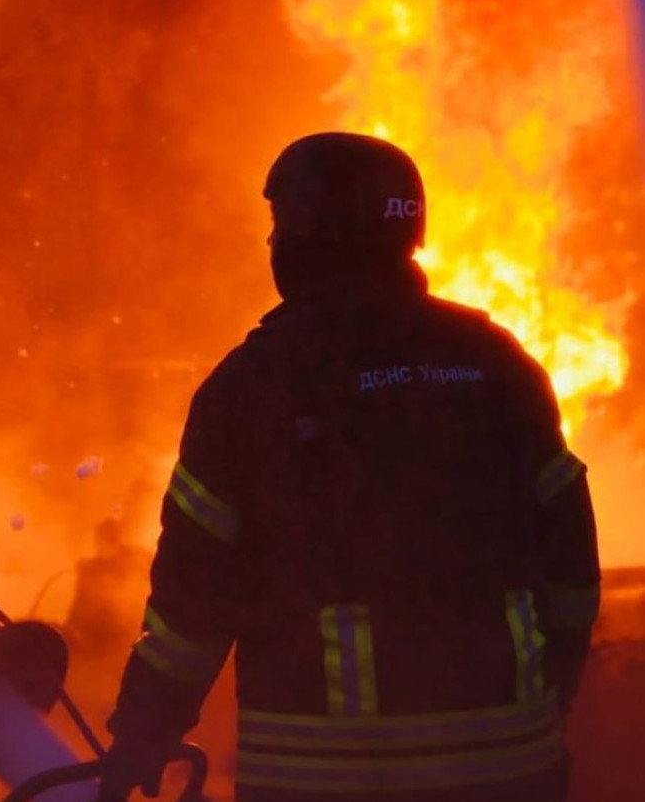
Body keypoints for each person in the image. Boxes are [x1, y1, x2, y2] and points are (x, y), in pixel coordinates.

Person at [94, 132, 601, 802]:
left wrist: (144, 728)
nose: (273, 243)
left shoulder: (253, 385)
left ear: (313, 232)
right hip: (508, 768)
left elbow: (193, 599)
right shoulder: (498, 364)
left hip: (322, 778)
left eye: (280, 224)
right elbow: (570, 560)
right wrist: (552, 682)